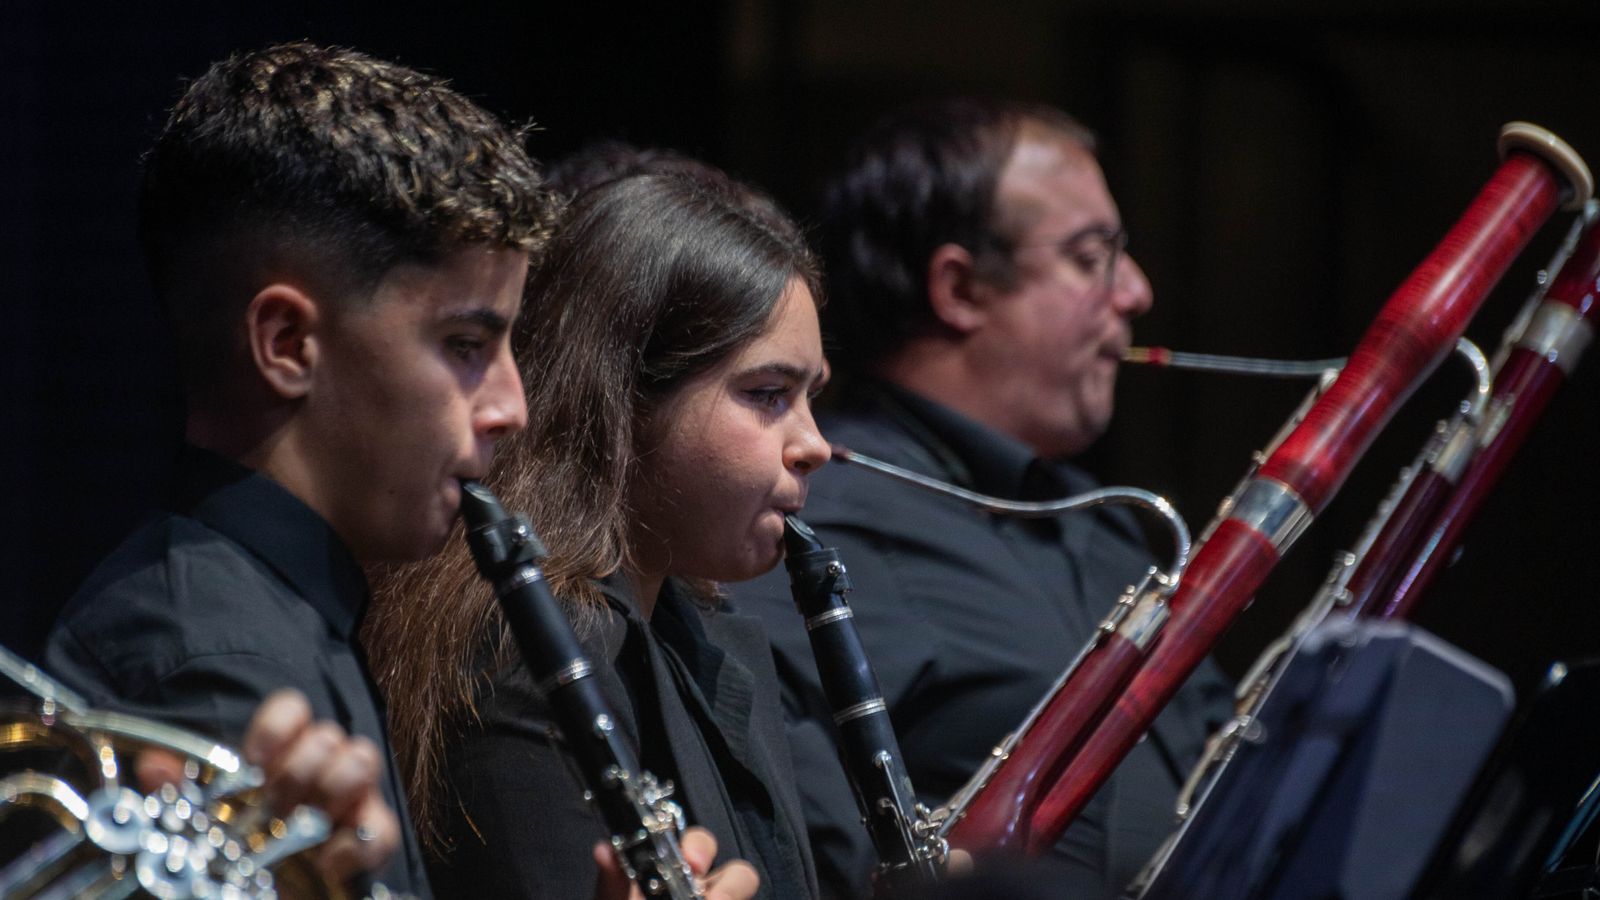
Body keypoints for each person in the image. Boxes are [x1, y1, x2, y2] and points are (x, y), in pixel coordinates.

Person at [41, 42, 554, 895]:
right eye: (465, 345)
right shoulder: (212, 666)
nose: (512, 406)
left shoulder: (284, 614)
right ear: (287, 344)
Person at [730, 98, 1234, 899]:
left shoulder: (1107, 523)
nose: (1136, 291)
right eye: (1091, 256)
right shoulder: (811, 521)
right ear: (960, 288)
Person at [364, 166, 829, 900]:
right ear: (623, 403)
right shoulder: (523, 651)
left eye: (810, 396)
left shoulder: (699, 631)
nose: (815, 444)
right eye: (768, 394)